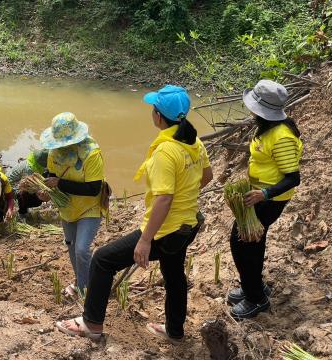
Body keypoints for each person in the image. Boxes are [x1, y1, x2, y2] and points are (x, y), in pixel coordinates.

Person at [55, 85, 213, 343]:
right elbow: (206, 177)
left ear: (158, 116)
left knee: (103, 260)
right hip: (187, 225)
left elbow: (163, 199)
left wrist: (146, 239)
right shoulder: (193, 142)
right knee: (174, 274)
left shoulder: (166, 150)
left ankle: (91, 324)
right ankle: (175, 331)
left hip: (166, 229)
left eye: (153, 108)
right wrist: (184, 199)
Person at [227, 80, 302, 320]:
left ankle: (256, 299)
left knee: (243, 243)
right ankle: (255, 287)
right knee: (250, 242)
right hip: (257, 195)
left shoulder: (281, 136)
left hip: (269, 199)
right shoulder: (267, 127)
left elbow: (293, 178)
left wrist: (264, 194)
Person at [40, 112, 105, 296]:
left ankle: (87, 291)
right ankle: (82, 281)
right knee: (71, 246)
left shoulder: (91, 153)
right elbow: (50, 177)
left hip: (89, 206)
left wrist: (59, 184)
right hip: (67, 208)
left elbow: (94, 188)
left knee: (82, 249)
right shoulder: (53, 153)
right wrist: (46, 192)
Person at [7, 149, 49, 217]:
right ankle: (22, 212)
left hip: (18, 182)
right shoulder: (30, 169)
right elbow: (27, 187)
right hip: (10, 188)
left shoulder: (33, 162)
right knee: (35, 199)